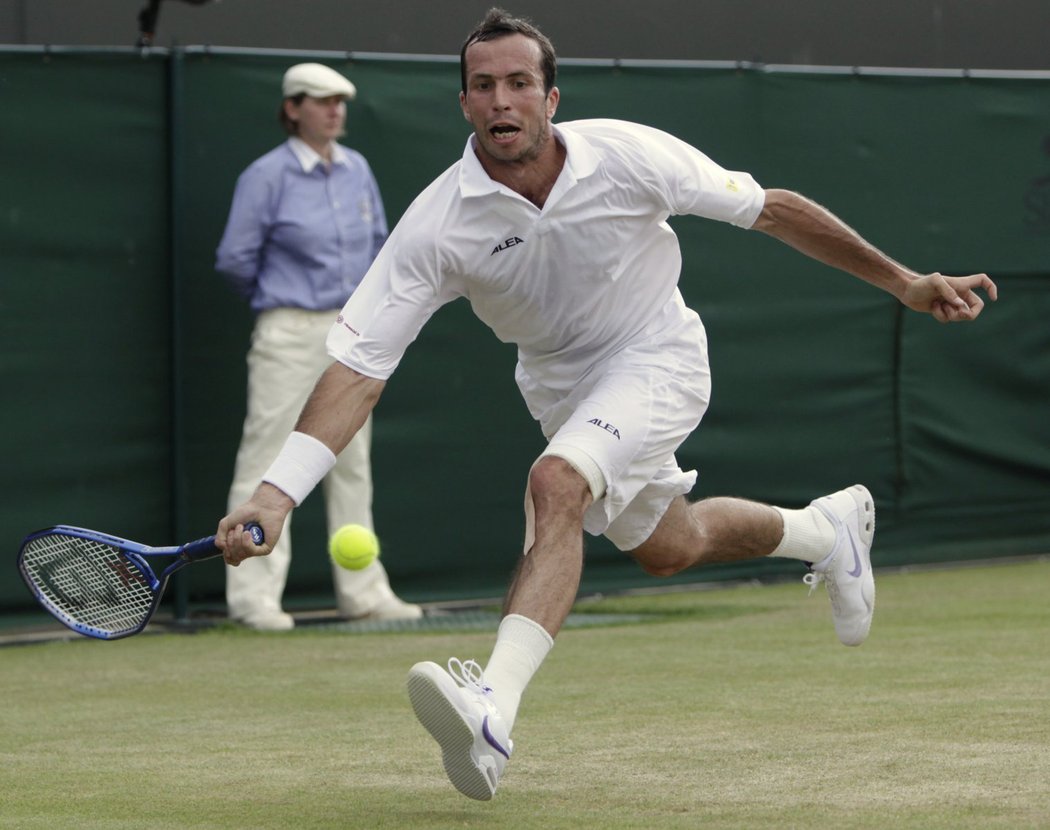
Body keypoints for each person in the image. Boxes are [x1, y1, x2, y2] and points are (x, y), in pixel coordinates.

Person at [217, 8, 998, 798]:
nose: (501, 101)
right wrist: (277, 496)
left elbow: (772, 209)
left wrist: (904, 281)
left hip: (659, 356)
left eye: (519, 83)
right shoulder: (437, 224)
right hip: (561, 385)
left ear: (551, 97)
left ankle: (492, 709)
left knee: (556, 483)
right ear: (463, 105)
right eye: (483, 87)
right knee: (671, 546)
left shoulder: (628, 154)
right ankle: (826, 533)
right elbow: (358, 372)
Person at [215, 62, 421, 631]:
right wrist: (284, 300)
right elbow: (235, 259)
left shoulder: (357, 169)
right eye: (322, 100)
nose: (335, 110)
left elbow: (382, 249)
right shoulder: (266, 175)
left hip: (352, 333)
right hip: (287, 327)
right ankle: (254, 598)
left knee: (351, 461)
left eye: (341, 101)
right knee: (265, 456)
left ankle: (364, 593)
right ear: (292, 108)